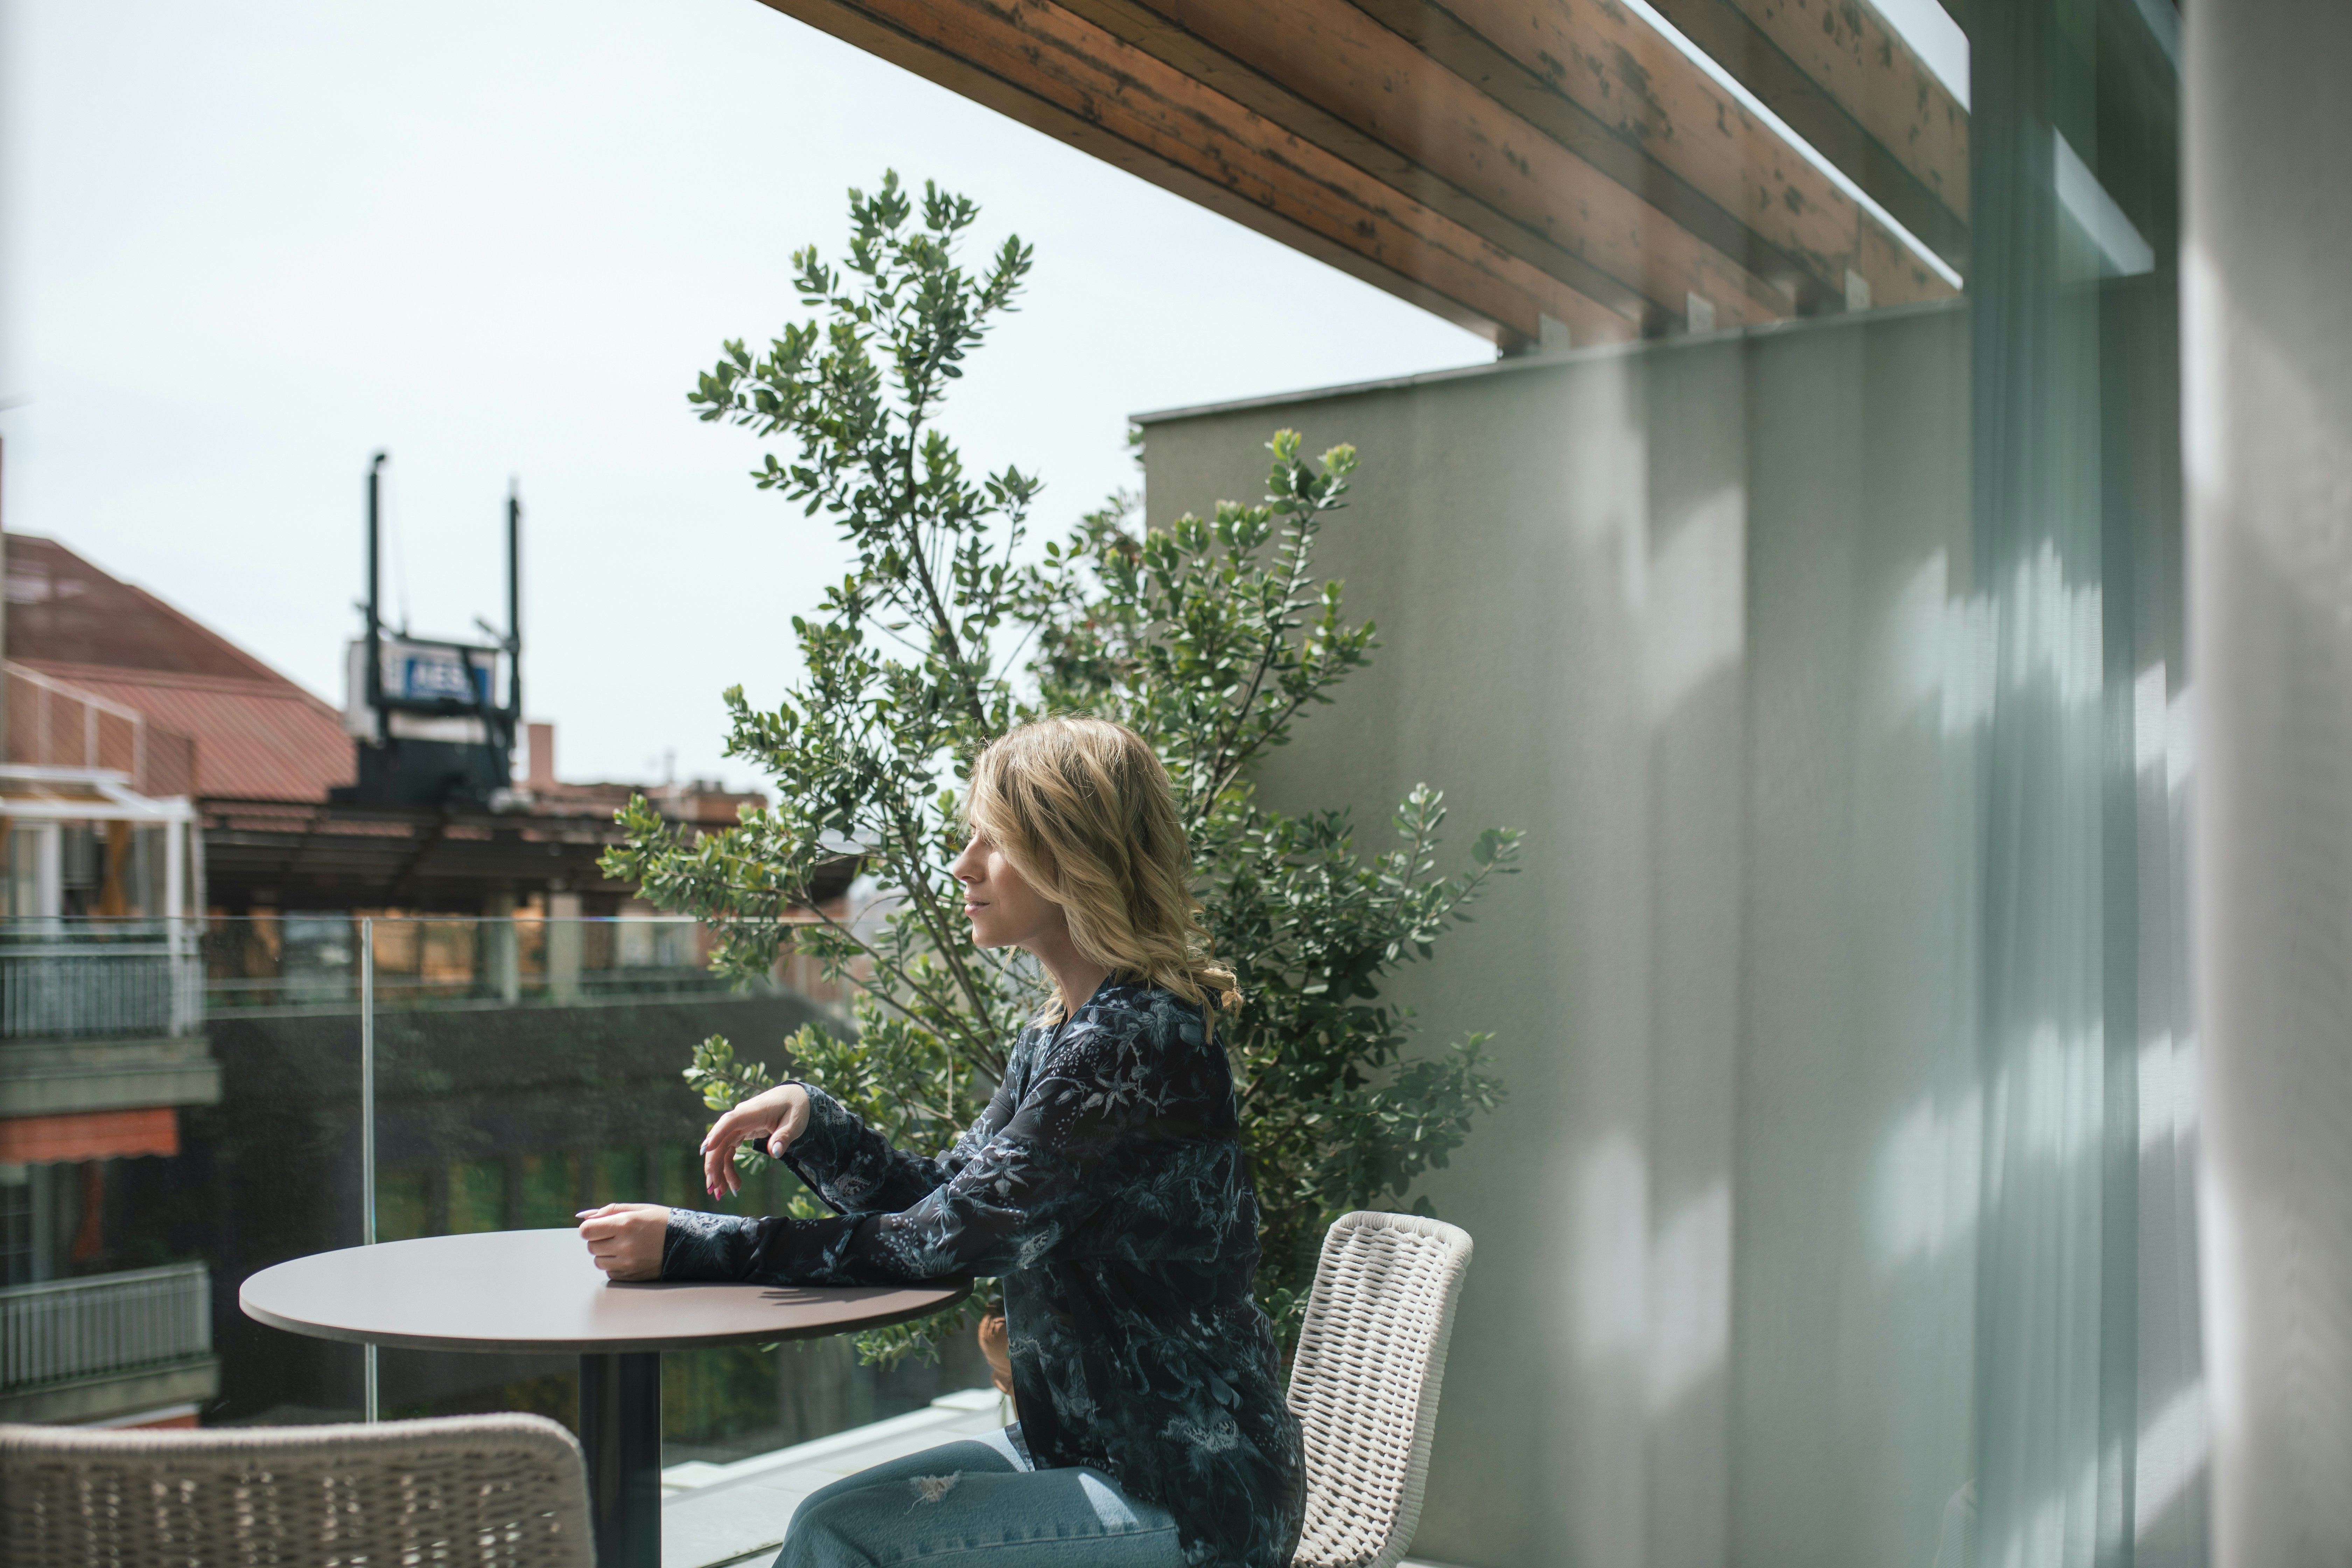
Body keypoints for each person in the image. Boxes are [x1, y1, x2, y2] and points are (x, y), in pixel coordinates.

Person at [576, 717, 1306, 1568]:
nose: (962, 865)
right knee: (828, 1514)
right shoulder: (1065, 1034)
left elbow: (946, 1241)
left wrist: (695, 1245)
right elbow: (946, 1198)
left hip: (1189, 1495)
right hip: (1087, 1449)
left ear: (1072, 854)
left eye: (993, 840)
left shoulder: (1136, 1041)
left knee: (840, 1536)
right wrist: (814, 1121)